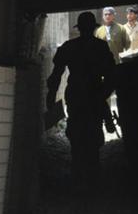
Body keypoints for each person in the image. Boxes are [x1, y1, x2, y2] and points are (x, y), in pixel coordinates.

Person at [46, 12, 116, 185]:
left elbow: (56, 75)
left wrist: (50, 97)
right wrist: (103, 96)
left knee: (77, 133)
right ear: (93, 28)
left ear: (79, 28)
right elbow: (111, 76)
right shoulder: (101, 47)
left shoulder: (69, 47)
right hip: (94, 93)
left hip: (76, 94)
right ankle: (93, 173)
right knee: (93, 133)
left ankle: (78, 173)